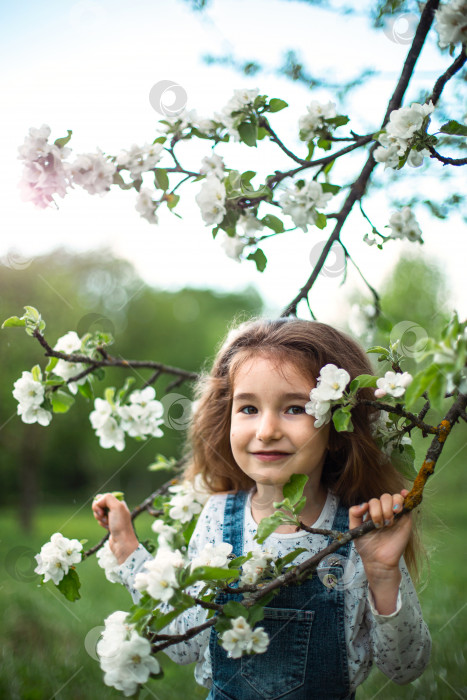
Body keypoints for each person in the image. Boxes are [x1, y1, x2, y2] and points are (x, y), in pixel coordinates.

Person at [92, 317, 431, 699]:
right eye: (249, 409)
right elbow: (185, 642)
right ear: (228, 418)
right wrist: (128, 552)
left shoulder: (361, 532)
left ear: (339, 428)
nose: (266, 430)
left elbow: (406, 667)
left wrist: (383, 574)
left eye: (295, 408)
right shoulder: (218, 518)